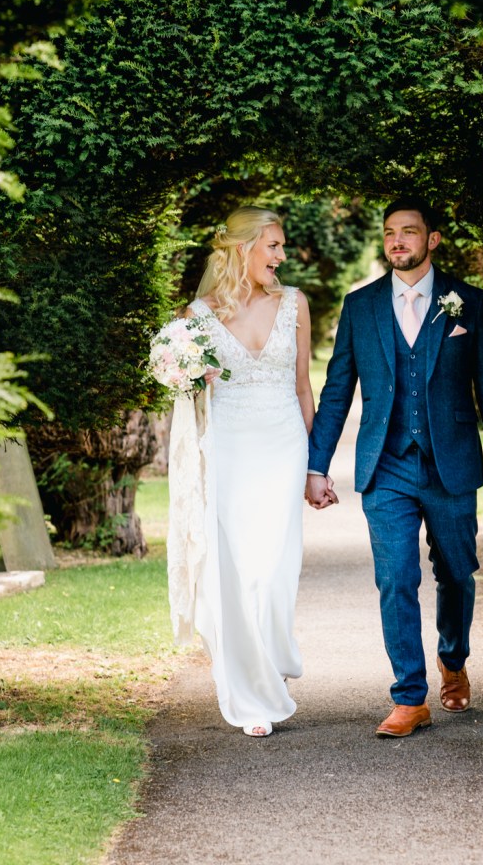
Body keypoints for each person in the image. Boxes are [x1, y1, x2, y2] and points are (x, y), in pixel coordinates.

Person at [306, 195, 483, 737]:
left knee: (456, 574)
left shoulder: (467, 302)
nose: (397, 241)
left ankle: (453, 659)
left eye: (409, 231)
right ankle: (408, 696)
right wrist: (317, 466)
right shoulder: (361, 306)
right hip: (386, 468)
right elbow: (336, 393)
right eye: (389, 233)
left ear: (432, 239)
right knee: (395, 578)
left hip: (451, 466)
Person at [168, 206, 315, 738]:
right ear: (241, 250)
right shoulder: (196, 317)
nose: (280, 256)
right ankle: (251, 696)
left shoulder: (295, 304)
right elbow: (184, 389)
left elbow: (303, 387)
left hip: (283, 446)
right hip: (228, 449)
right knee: (238, 568)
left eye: (281, 247)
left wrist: (314, 465)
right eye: (272, 246)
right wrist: (185, 372)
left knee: (276, 570)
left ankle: (269, 657)